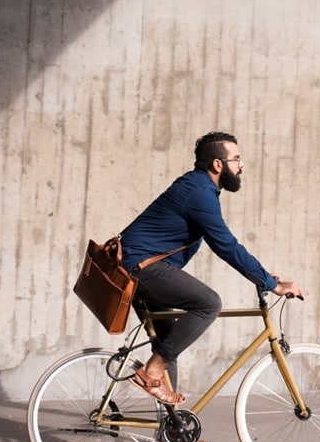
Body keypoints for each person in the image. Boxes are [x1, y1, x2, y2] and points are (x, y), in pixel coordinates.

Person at [120, 132, 304, 426]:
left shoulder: (199, 188)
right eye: (236, 159)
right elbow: (226, 245)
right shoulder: (199, 194)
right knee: (208, 303)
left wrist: (262, 276)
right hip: (140, 267)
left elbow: (224, 245)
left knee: (170, 345)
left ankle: (175, 428)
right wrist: (273, 285)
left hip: (141, 266)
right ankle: (150, 373)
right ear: (218, 164)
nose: (241, 165)